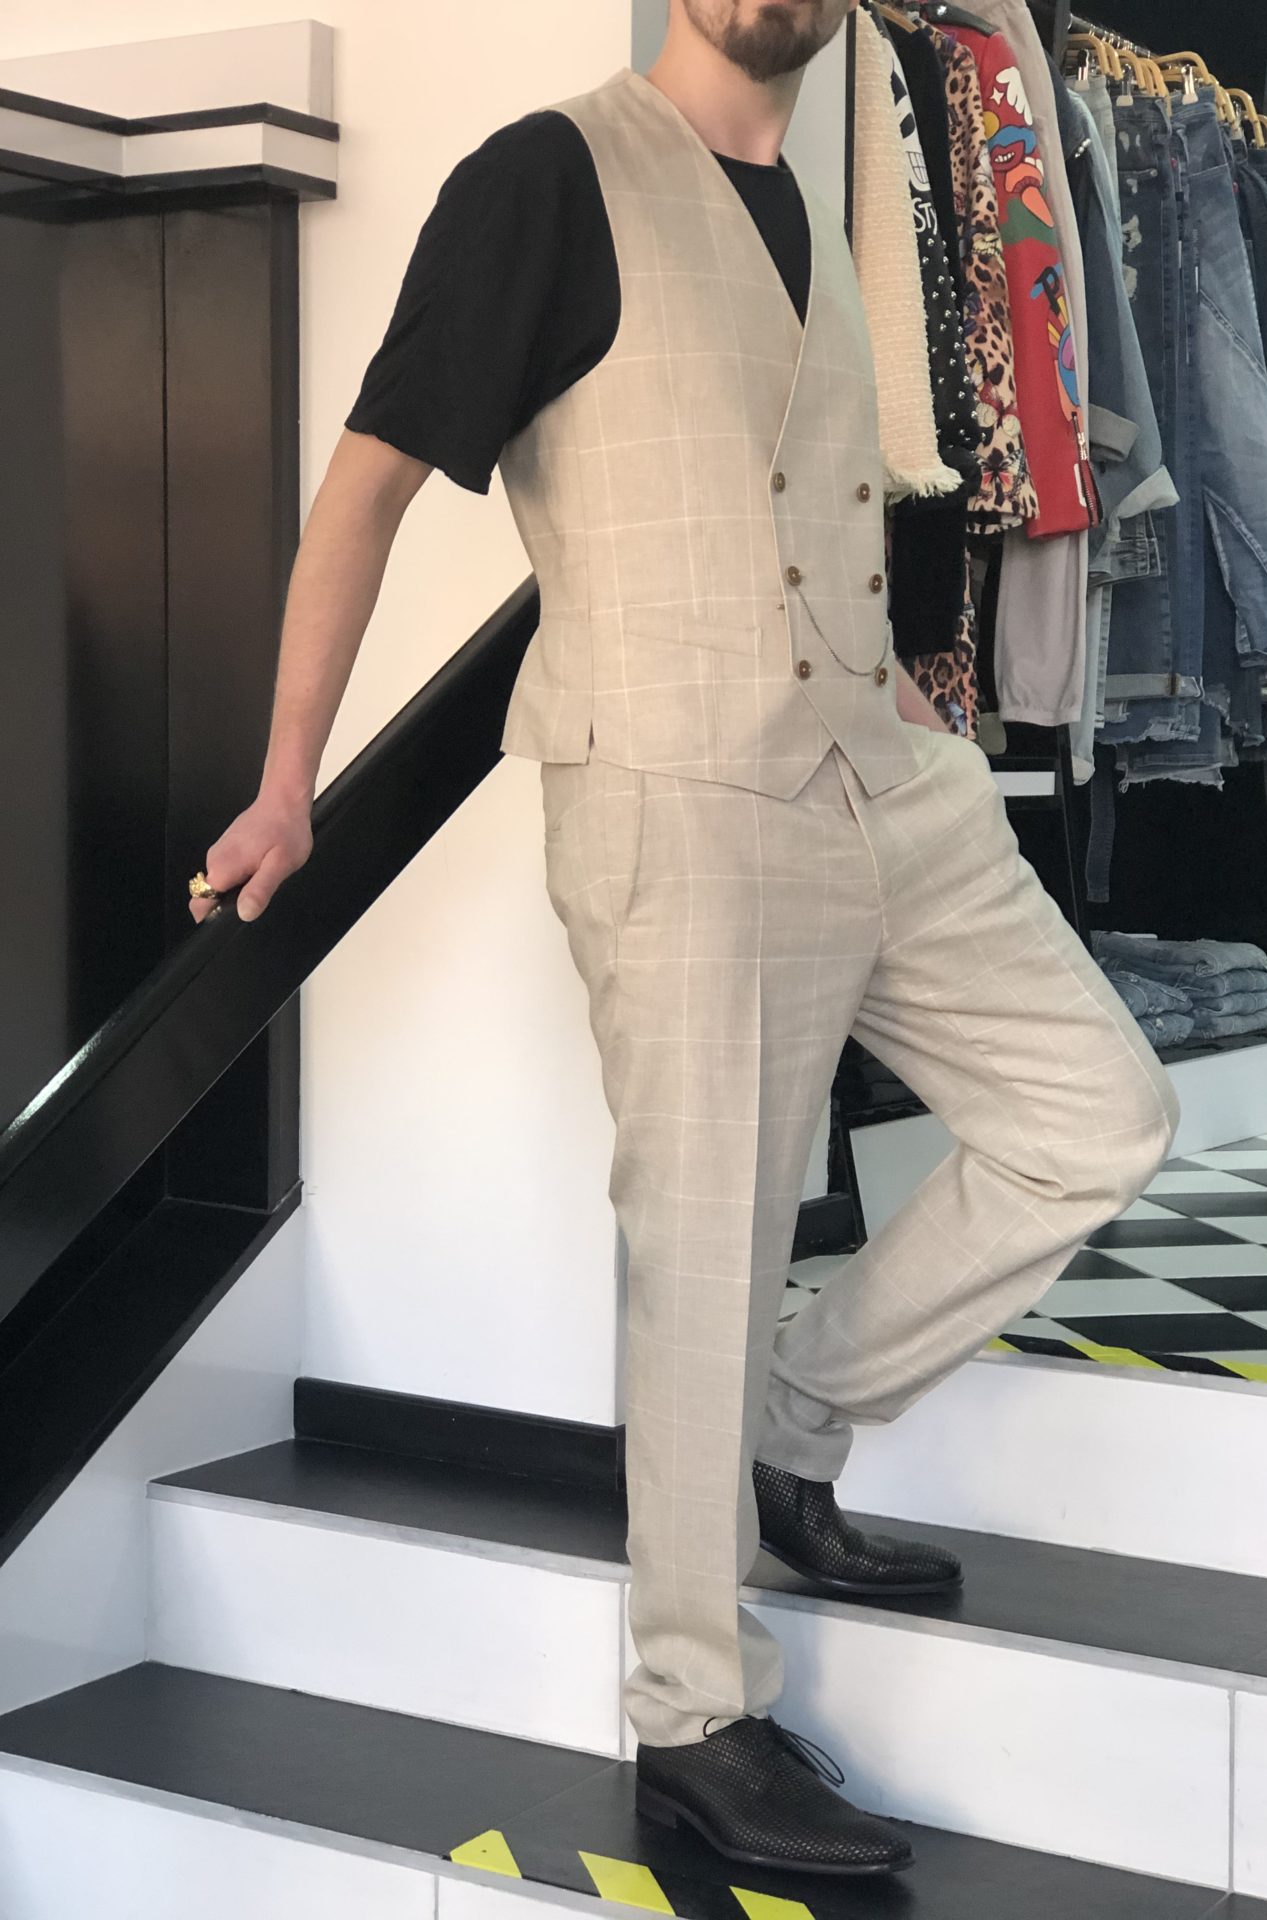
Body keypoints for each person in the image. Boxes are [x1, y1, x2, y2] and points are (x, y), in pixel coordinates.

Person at [187, 0, 1179, 1879]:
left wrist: (908, 695)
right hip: (680, 791)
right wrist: (290, 778)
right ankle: (693, 1718)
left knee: (1098, 1114)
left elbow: (814, 504)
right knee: (707, 1246)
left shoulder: (827, 191)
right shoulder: (548, 178)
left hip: (881, 771)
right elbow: (369, 479)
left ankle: (789, 1430)